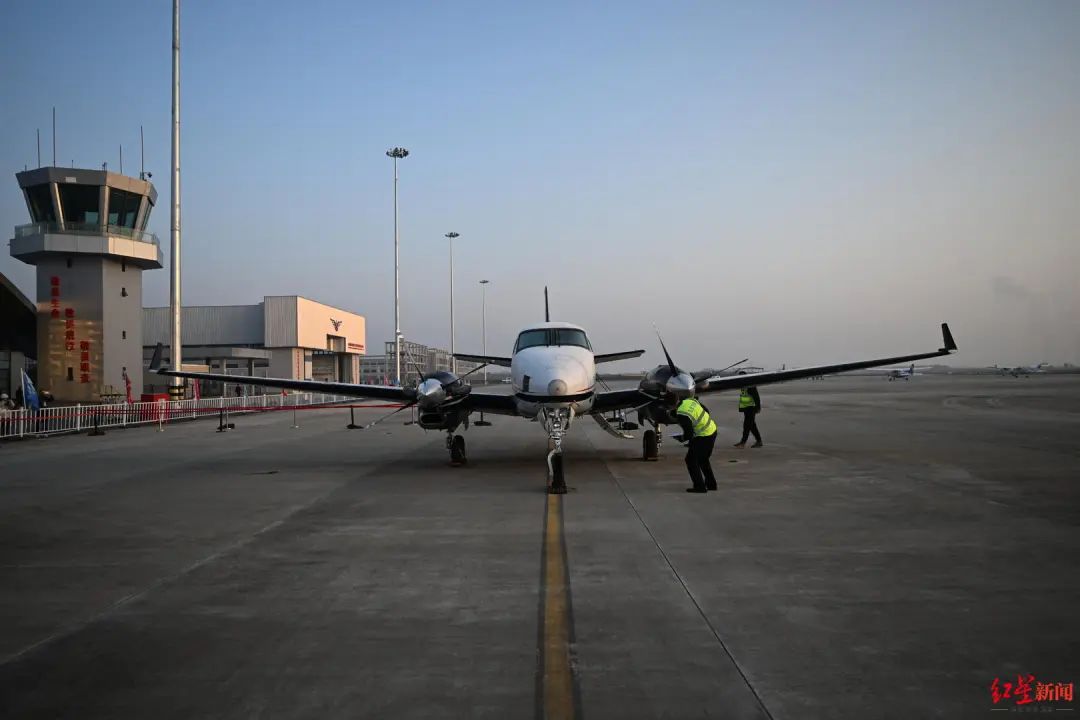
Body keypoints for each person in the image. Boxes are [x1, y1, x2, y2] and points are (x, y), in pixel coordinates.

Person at [671, 394, 718, 493]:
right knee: (703, 459)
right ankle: (711, 484)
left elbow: (689, 434)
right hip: (712, 430)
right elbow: (706, 410)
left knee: (690, 460)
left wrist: (681, 438)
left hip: (704, 436)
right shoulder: (690, 401)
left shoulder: (682, 413)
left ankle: (699, 487)